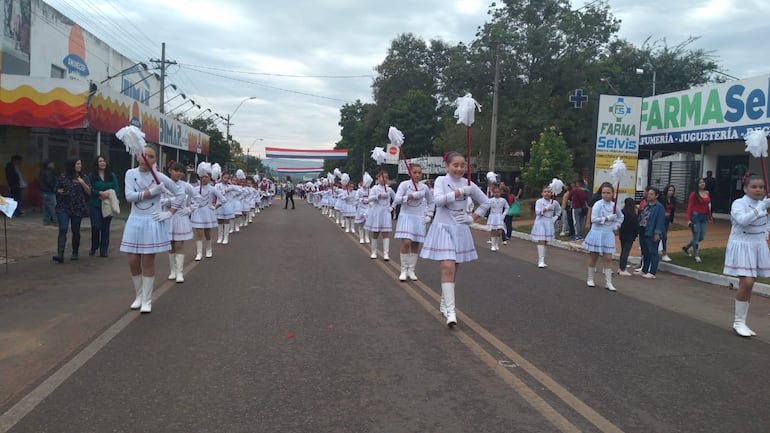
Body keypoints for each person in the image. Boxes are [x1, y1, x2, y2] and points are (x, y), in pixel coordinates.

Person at [420, 151, 491, 327]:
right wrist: (458, 192)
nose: (459, 169)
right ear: (447, 165)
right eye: (455, 165)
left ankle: (445, 303)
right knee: (447, 265)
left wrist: (472, 218)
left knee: (453, 268)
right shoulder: (441, 181)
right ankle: (451, 312)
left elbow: (486, 202)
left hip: (460, 229)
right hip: (443, 227)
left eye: (462, 165)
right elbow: (438, 201)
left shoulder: (469, 184)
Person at [120, 144, 182, 314]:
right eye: (144, 154)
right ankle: (139, 296)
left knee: (147, 260)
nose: (146, 158)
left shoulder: (160, 177)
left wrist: (169, 213)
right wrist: (151, 192)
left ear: (155, 159)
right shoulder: (130, 174)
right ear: (138, 156)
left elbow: (180, 194)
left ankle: (147, 299)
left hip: (152, 221)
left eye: (151, 156)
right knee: (132, 260)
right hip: (134, 220)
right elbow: (129, 196)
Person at [723, 174, 770, 337]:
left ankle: (742, 321)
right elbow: (743, 220)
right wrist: (761, 207)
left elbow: (767, 224)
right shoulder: (739, 203)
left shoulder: (764, 204)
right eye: (754, 187)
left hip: (758, 245)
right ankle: (738, 322)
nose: (758, 190)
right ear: (745, 188)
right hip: (742, 245)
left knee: (749, 283)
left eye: (761, 187)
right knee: (747, 281)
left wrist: (765, 235)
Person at [394, 164, 433, 281]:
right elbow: (397, 199)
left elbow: (431, 201)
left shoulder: (424, 187)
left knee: (415, 243)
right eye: (414, 172)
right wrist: (410, 196)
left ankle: (411, 270)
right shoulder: (404, 185)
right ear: (409, 173)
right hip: (406, 216)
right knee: (406, 242)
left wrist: (429, 215)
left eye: (419, 173)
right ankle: (403, 269)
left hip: (419, 217)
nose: (417, 175)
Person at [163, 162, 199, 283]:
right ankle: (172, 271)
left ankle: (179, 272)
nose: (178, 173)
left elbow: (198, 198)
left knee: (179, 244)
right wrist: (170, 201)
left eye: (181, 171)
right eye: (176, 170)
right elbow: (159, 200)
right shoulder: (164, 185)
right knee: (170, 245)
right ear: (170, 171)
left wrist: (189, 209)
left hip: (180, 217)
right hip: (168, 217)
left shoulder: (185, 186)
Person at [583, 183, 623, 291]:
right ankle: (590, 278)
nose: (605, 195)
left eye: (608, 193)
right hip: (597, 232)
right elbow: (594, 219)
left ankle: (608, 282)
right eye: (603, 193)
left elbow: (621, 217)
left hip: (608, 233)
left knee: (608, 258)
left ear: (612, 194)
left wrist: (616, 225)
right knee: (594, 256)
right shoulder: (598, 204)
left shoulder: (614, 206)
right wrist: (607, 218)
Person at [52, 158, 91, 262]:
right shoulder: (63, 177)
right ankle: (60, 254)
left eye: (80, 164)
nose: (79, 166)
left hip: (77, 207)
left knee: (76, 230)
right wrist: (60, 191)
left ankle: (75, 252)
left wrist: (82, 182)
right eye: (77, 164)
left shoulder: (84, 177)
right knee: (63, 228)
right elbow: (55, 189)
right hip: (63, 206)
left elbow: (89, 192)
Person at [190, 162, 225, 261]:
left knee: (207, 233)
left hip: (208, 213)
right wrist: (192, 207)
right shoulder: (195, 189)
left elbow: (223, 199)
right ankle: (199, 253)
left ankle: (209, 249)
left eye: (206, 177)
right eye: (202, 177)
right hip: (198, 213)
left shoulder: (212, 189)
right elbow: (189, 199)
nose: (204, 179)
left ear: (210, 177)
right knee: (198, 233)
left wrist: (215, 207)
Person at [87, 155, 119, 257]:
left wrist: (108, 195)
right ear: (96, 163)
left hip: (108, 204)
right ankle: (94, 246)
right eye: (100, 161)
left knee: (105, 228)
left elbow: (116, 189)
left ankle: (104, 250)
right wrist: (99, 193)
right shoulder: (92, 176)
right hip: (95, 204)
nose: (102, 163)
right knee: (96, 226)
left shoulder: (111, 175)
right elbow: (89, 189)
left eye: (104, 161)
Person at [635, 187, 665, 279]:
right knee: (645, 251)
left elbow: (660, 221)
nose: (649, 196)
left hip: (652, 232)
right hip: (643, 230)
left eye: (651, 194)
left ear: (656, 196)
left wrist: (657, 233)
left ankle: (652, 272)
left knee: (653, 251)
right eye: (648, 194)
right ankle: (644, 269)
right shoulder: (646, 205)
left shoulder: (659, 207)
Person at [365, 171, 396, 260]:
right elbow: (369, 199)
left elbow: (396, 199)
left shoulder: (389, 189)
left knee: (386, 233)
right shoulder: (375, 188)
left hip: (386, 212)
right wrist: (378, 196)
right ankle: (373, 252)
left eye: (386, 177)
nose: (384, 179)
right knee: (376, 232)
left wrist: (392, 207)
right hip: (377, 212)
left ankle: (386, 253)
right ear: (378, 178)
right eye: (382, 177)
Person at [682, 178, 713, 263]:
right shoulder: (694, 194)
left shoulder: (706, 193)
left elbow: (707, 206)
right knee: (696, 236)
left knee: (701, 237)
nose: (702, 184)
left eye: (703, 182)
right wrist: (688, 219)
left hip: (703, 216)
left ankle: (687, 247)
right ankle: (696, 255)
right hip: (695, 216)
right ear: (697, 185)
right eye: (700, 183)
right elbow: (690, 207)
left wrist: (709, 215)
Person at [530, 184, 561, 268]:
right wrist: (546, 208)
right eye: (545, 192)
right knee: (541, 240)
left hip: (549, 222)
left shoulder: (555, 203)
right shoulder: (539, 201)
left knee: (546, 241)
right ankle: (540, 260)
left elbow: (559, 211)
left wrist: (555, 218)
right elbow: (537, 212)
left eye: (548, 192)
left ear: (551, 193)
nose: (546, 193)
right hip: (540, 221)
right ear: (542, 193)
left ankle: (543, 259)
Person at [617, 197, 638, 276]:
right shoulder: (633, 214)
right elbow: (636, 226)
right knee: (626, 251)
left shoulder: (622, 212)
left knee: (623, 251)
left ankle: (621, 267)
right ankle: (622, 268)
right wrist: (636, 233)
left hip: (623, 234)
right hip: (630, 235)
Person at [485, 185, 509, 251]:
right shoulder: (491, 200)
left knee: (499, 231)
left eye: (498, 192)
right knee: (493, 230)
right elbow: (486, 207)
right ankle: (493, 245)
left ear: (500, 192)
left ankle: (496, 243)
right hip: (493, 216)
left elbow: (507, 207)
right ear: (493, 192)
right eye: (495, 192)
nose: (496, 193)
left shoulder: (503, 200)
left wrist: (504, 214)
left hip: (500, 216)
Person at [660, 184, 677, 262]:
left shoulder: (673, 200)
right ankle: (664, 253)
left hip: (667, 220)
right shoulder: (662, 199)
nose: (671, 192)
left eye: (672, 191)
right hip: (661, 219)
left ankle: (662, 251)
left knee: (663, 236)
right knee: (663, 236)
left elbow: (673, 211)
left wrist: (671, 220)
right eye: (669, 190)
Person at [39, 159, 57, 225]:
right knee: (53, 207)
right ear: (48, 164)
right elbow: (50, 182)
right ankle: (56, 221)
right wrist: (55, 189)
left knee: (46, 207)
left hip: (44, 191)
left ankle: (46, 221)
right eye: (52, 164)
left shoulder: (43, 171)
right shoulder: (48, 172)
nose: (53, 165)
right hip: (49, 191)